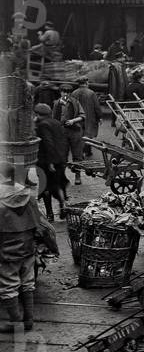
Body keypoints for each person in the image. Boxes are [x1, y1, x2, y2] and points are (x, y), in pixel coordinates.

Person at [0, 163, 40, 333]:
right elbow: (39, 223)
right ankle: (29, 320)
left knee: (8, 285)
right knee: (28, 281)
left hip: (7, 251)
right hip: (28, 246)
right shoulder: (28, 195)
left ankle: (15, 323)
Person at [34, 103, 68, 221]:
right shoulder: (56, 122)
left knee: (45, 187)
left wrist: (50, 162)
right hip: (60, 159)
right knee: (58, 184)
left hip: (46, 161)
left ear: (39, 114)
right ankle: (63, 206)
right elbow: (64, 141)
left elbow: (48, 144)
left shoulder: (42, 125)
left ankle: (50, 214)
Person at [71, 77, 103, 159]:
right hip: (89, 117)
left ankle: (82, 152)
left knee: (79, 134)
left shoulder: (74, 93)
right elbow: (96, 106)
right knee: (88, 134)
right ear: (86, 83)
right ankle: (87, 151)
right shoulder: (91, 93)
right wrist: (99, 117)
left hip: (78, 117)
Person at [53, 82, 84, 165]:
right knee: (62, 155)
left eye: (68, 92)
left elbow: (82, 115)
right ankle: (63, 175)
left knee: (77, 154)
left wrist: (73, 121)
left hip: (75, 131)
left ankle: (77, 175)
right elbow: (53, 118)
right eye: (64, 92)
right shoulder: (56, 103)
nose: (66, 94)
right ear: (60, 92)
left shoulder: (75, 102)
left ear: (70, 93)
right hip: (62, 131)